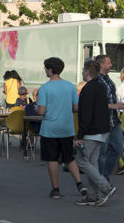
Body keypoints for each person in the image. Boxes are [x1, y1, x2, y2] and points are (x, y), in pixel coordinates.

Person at [36, 56, 87, 200]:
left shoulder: (45, 88)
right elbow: (76, 107)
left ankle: (56, 189)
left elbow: (41, 111)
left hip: (50, 129)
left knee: (52, 159)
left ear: (50, 70)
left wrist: (35, 108)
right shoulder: (70, 86)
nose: (45, 70)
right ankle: (79, 184)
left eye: (46, 68)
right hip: (66, 128)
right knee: (69, 158)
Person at [76, 60, 116, 206]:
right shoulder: (100, 87)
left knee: (81, 161)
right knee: (92, 162)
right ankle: (94, 195)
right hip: (102, 130)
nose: (81, 72)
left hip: (91, 131)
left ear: (87, 72)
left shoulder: (87, 89)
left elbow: (85, 114)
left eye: (83, 70)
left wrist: (80, 135)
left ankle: (105, 186)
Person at [95, 54, 124, 179]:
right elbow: (96, 103)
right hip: (103, 121)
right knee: (102, 152)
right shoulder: (96, 80)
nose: (111, 65)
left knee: (118, 148)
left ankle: (104, 175)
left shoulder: (107, 78)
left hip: (114, 120)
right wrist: (114, 106)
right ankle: (101, 178)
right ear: (101, 64)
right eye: (109, 63)